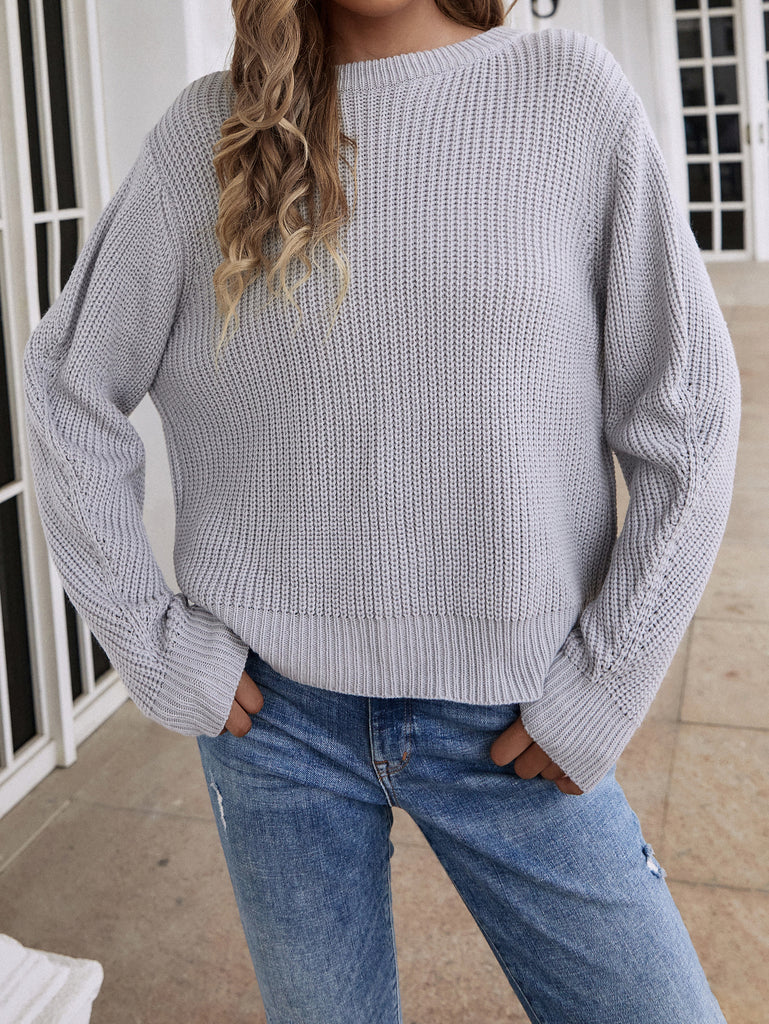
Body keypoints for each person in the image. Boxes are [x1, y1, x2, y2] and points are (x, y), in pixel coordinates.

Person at [22, 0, 740, 1020]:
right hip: (275, 726)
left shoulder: (572, 101)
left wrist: (609, 676)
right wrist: (150, 641)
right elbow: (67, 386)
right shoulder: (208, 133)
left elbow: (688, 414)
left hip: (517, 710)